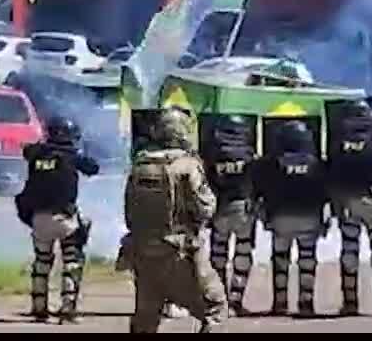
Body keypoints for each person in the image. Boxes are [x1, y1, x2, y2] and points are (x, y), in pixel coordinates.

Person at [124, 108, 226, 333]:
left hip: (142, 251)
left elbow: (129, 210)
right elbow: (206, 208)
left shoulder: (140, 163)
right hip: (179, 252)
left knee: (146, 319)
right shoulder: (187, 165)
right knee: (215, 307)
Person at [15, 116, 101, 323]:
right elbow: (93, 168)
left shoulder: (36, 154)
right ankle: (67, 309)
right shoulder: (71, 155)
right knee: (72, 262)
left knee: (42, 261)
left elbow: (28, 151)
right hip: (64, 218)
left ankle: (39, 307)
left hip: (38, 218)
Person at [326, 98, 372, 316]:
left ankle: (350, 303)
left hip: (346, 201)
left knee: (349, 249)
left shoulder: (337, 141)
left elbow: (331, 171)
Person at [253, 119, 327, 318]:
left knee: (280, 259)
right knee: (307, 260)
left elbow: (262, 190)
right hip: (309, 219)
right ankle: (306, 302)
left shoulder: (271, 163)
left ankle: (280, 302)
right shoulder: (316, 164)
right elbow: (324, 194)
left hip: (280, 219)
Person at [204, 116, 259, 316]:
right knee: (243, 254)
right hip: (243, 209)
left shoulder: (212, 155)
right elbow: (256, 183)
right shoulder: (248, 154)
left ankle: (220, 299)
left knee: (218, 255)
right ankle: (236, 300)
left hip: (220, 209)